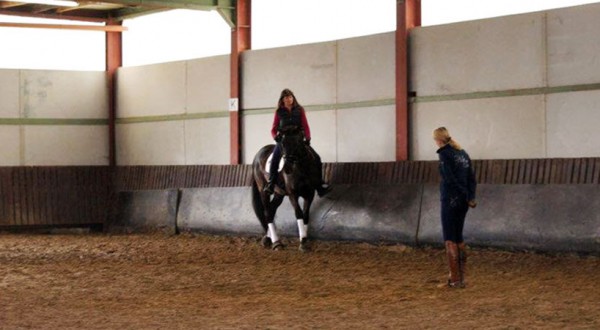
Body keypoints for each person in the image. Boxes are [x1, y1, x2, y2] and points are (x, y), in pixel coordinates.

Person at [264, 88, 331, 197]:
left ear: (293, 98)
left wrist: (308, 138)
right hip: (284, 141)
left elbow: (305, 125)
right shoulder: (279, 112)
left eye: (290, 97)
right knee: (275, 159)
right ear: (282, 100)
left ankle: (319, 185)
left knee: (317, 158)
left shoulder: (299, 110)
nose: (289, 99)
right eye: (286, 98)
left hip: (298, 140)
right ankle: (271, 184)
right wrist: (276, 137)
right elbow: (273, 129)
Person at [434, 127, 477, 288]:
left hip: (450, 199)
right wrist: (469, 196)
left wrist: (459, 192)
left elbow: (449, 179)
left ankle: (455, 279)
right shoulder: (463, 154)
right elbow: (471, 178)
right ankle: (461, 277)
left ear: (438, 140)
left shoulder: (444, 154)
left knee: (449, 238)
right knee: (459, 237)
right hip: (464, 201)